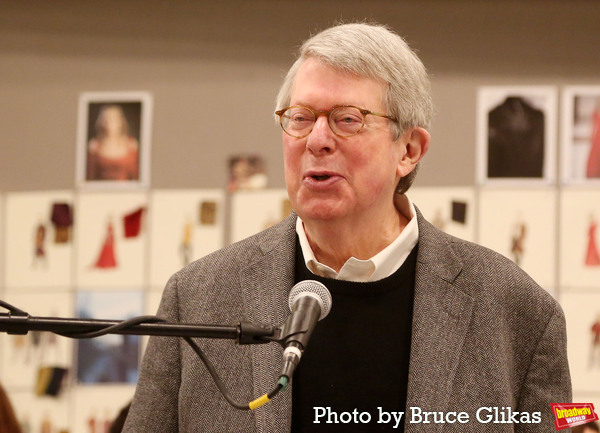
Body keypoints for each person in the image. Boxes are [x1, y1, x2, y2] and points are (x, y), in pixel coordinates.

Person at [123, 22, 571, 432]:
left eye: (347, 119)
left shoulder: (519, 310)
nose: (316, 140)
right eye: (300, 118)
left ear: (409, 150)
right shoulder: (197, 296)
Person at [86, 104, 140, 181]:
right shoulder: (94, 146)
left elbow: (136, 176)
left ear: (121, 122)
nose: (109, 123)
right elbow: (90, 177)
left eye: (113, 119)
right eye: (105, 119)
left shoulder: (132, 145)